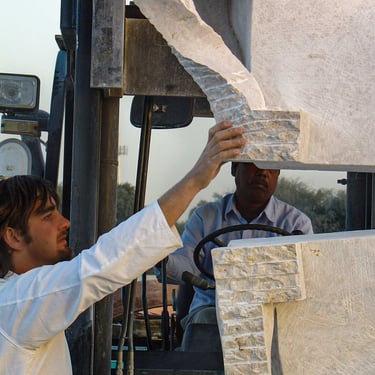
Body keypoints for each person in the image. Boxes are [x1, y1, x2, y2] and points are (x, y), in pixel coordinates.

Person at [0, 121, 245, 375]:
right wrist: (196, 179)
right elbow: (100, 265)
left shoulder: (20, 301)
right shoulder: (16, 303)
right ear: (13, 236)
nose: (65, 223)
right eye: (48, 216)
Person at [164, 162, 313, 350]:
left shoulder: (296, 224)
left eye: (271, 167)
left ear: (278, 174)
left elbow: (306, 281)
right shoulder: (205, 217)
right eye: (254, 164)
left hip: (273, 313)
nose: (262, 172)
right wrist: (164, 260)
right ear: (234, 168)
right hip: (213, 311)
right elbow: (186, 264)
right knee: (207, 320)